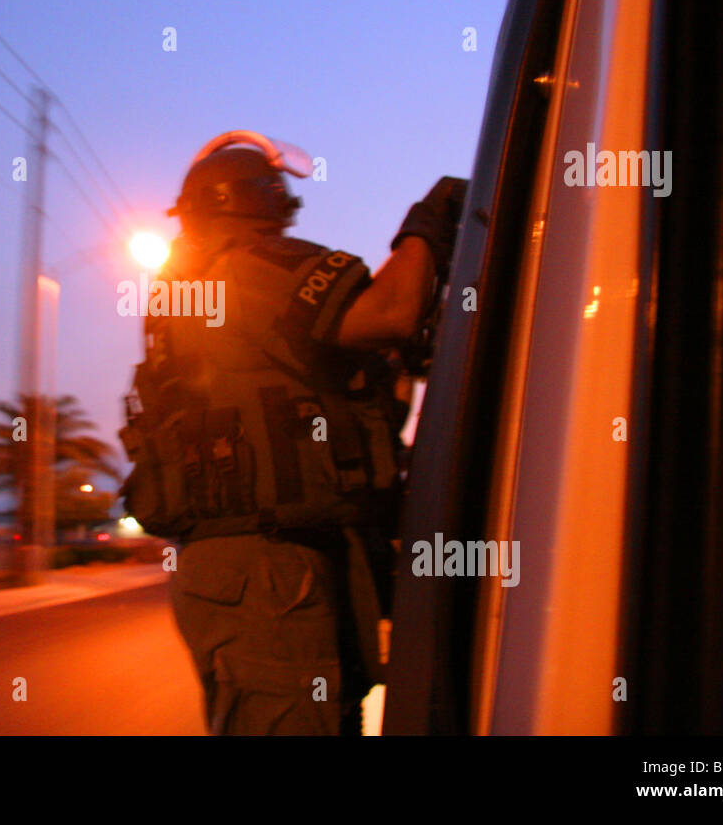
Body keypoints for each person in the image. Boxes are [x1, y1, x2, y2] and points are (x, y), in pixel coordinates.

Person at [119, 130, 465, 735]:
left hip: (267, 562)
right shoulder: (246, 267)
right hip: (268, 571)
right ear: (256, 197)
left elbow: (363, 396)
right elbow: (389, 311)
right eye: (276, 189)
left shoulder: (197, 287)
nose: (285, 204)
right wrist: (428, 225)